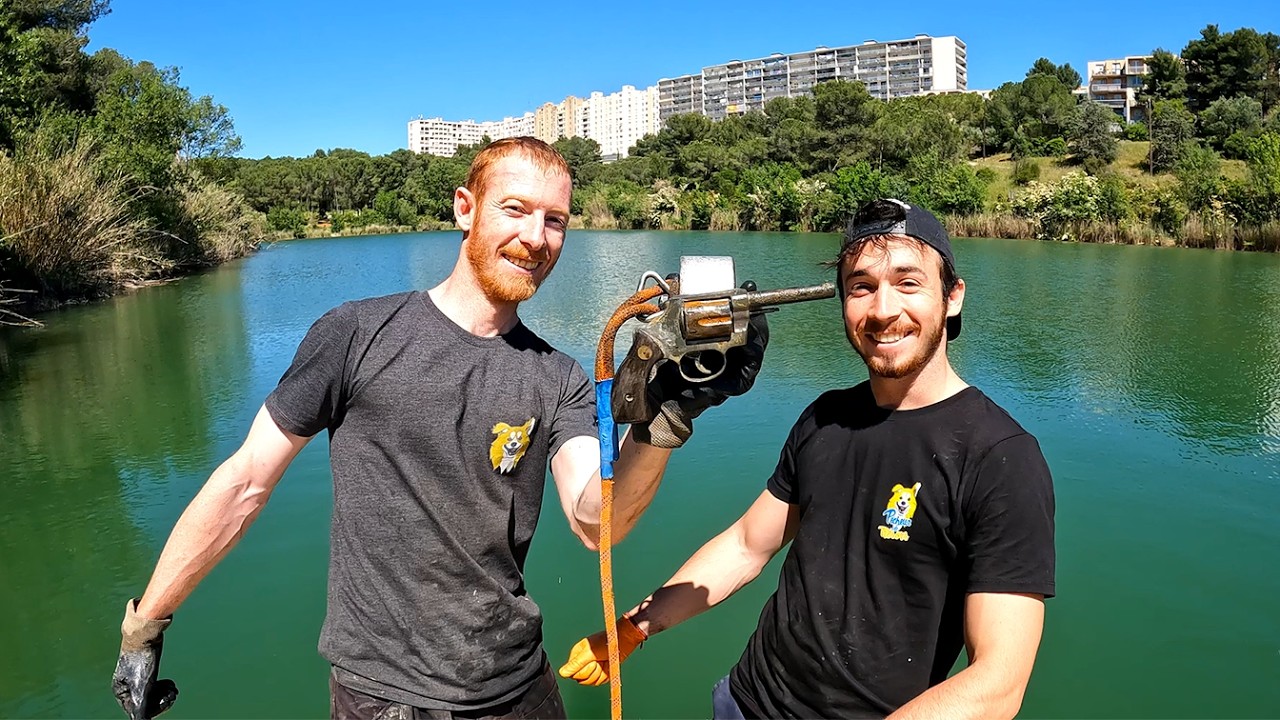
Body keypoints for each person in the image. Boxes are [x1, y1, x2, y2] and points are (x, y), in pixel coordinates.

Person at [111, 137, 767, 720]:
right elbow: (246, 482)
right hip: (384, 696)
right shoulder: (356, 334)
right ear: (464, 209)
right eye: (515, 209)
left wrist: (665, 419)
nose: (536, 238)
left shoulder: (559, 377)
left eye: (555, 221)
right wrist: (145, 627)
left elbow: (596, 523)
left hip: (516, 684)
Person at [559, 198, 1055, 719]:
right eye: (861, 287)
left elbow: (998, 683)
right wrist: (634, 627)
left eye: (908, 283)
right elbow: (747, 545)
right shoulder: (827, 417)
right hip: (744, 701)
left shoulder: (1001, 459)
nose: (883, 310)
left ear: (952, 297)